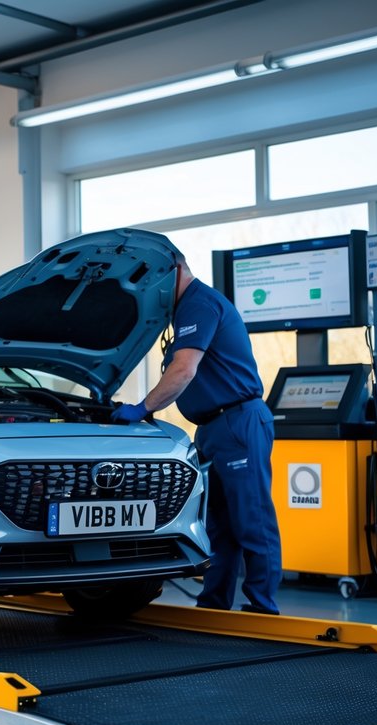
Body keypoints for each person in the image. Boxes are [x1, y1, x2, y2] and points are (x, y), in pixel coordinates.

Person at [113, 250, 282, 615]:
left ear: (173, 271)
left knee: (252, 520)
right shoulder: (182, 312)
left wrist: (143, 408)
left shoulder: (200, 303)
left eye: (152, 279)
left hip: (238, 423)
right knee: (218, 527)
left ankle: (263, 607)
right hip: (211, 429)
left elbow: (183, 370)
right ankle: (215, 605)